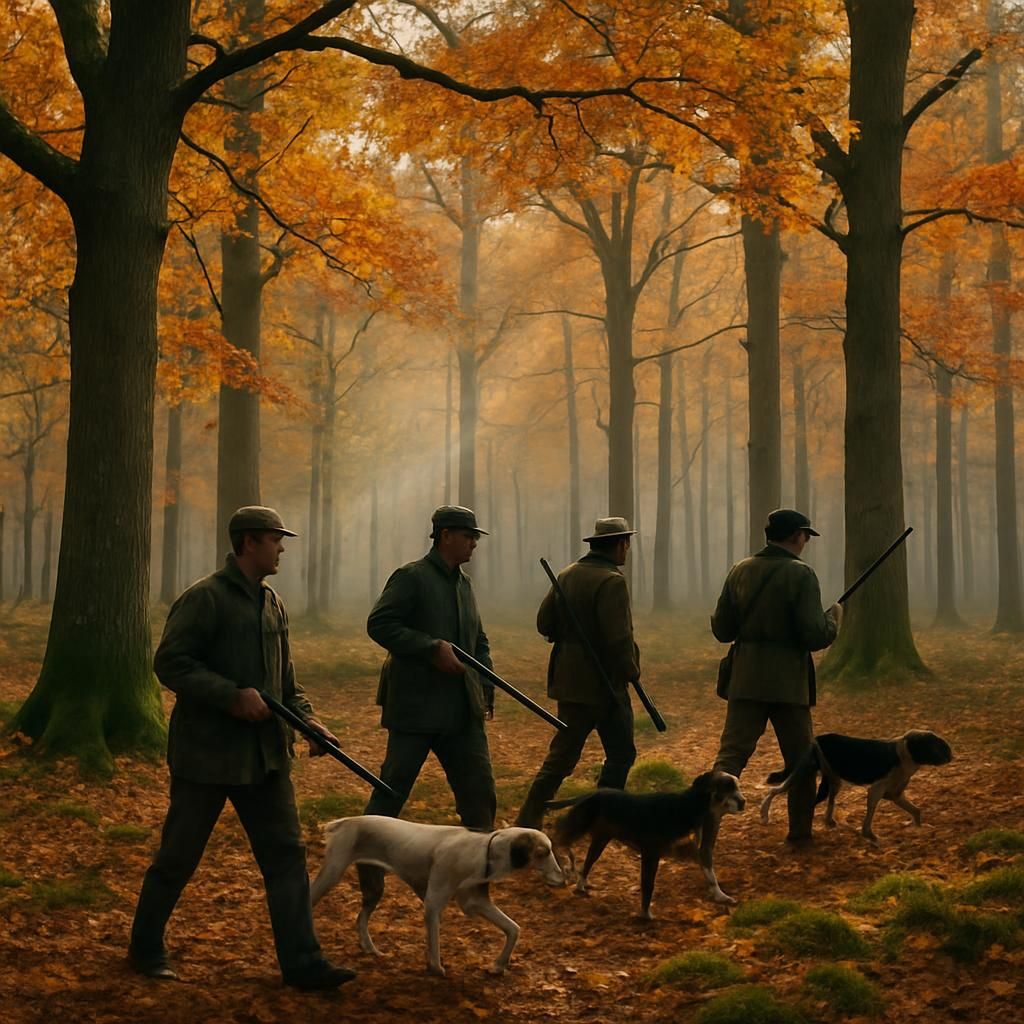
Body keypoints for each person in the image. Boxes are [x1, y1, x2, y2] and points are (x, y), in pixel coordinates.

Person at [128, 506, 354, 990]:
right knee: (178, 858)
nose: (282, 548)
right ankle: (144, 948)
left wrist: (310, 720)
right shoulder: (204, 598)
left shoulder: (272, 602)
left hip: (266, 758)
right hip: (206, 756)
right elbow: (170, 663)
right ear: (249, 542)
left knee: (286, 857)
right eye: (276, 539)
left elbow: (286, 682)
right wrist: (230, 696)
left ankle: (303, 963)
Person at [710, 507, 842, 846]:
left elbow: (722, 629)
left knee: (730, 757)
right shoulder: (802, 575)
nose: (806, 543)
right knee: (801, 760)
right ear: (798, 536)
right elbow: (815, 635)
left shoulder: (740, 570)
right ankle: (799, 836)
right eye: (805, 537)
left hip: (746, 677)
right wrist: (834, 620)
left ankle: (703, 827)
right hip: (787, 682)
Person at [363, 504, 497, 828]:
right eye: (468, 536)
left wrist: (486, 686)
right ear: (445, 536)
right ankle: (369, 864)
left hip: (462, 710)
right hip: (416, 708)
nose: (474, 543)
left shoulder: (464, 584)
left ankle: (477, 871)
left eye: (475, 537)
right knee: (391, 792)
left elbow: (477, 638)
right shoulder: (411, 576)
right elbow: (379, 624)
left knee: (480, 795)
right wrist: (430, 648)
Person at [515, 517, 640, 830]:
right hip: (605, 683)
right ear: (619, 544)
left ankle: (529, 819)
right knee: (621, 753)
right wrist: (631, 671)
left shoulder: (566, 575)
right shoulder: (612, 581)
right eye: (626, 543)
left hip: (569, 680)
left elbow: (545, 624)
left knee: (562, 756)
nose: (627, 549)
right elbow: (618, 638)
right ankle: (606, 816)